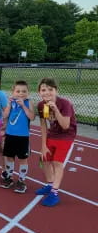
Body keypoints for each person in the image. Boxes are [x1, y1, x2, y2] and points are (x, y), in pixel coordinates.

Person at [35, 78, 76, 207]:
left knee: (57, 162)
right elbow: (43, 125)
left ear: (56, 91)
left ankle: (54, 193)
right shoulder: (41, 105)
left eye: (50, 89)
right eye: (43, 90)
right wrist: (43, 146)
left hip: (66, 135)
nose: (47, 92)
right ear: (39, 92)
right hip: (52, 134)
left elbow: (65, 125)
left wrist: (56, 109)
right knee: (45, 159)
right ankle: (50, 184)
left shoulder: (65, 103)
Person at [0, 80, 35, 193]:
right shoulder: (11, 103)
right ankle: (9, 178)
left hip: (23, 136)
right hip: (10, 135)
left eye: (24, 91)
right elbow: (4, 115)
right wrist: (9, 105)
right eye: (18, 91)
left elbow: (32, 117)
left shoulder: (28, 102)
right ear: (13, 92)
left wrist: (23, 106)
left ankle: (21, 181)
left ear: (28, 92)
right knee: (9, 157)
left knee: (22, 159)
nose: (21, 93)